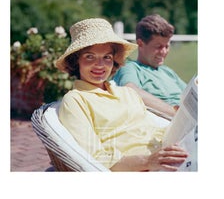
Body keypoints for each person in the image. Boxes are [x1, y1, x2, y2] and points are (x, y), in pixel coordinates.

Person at [55, 18, 188, 172]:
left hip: (167, 159)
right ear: (76, 60)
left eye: (107, 57)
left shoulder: (127, 94)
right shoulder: (76, 100)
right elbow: (94, 157)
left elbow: (153, 130)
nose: (100, 65)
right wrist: (148, 161)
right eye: (90, 57)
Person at [113, 14, 187, 117]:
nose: (164, 52)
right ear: (140, 43)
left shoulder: (168, 72)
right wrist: (176, 113)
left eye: (167, 46)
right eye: (158, 47)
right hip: (167, 122)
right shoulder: (131, 68)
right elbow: (130, 91)